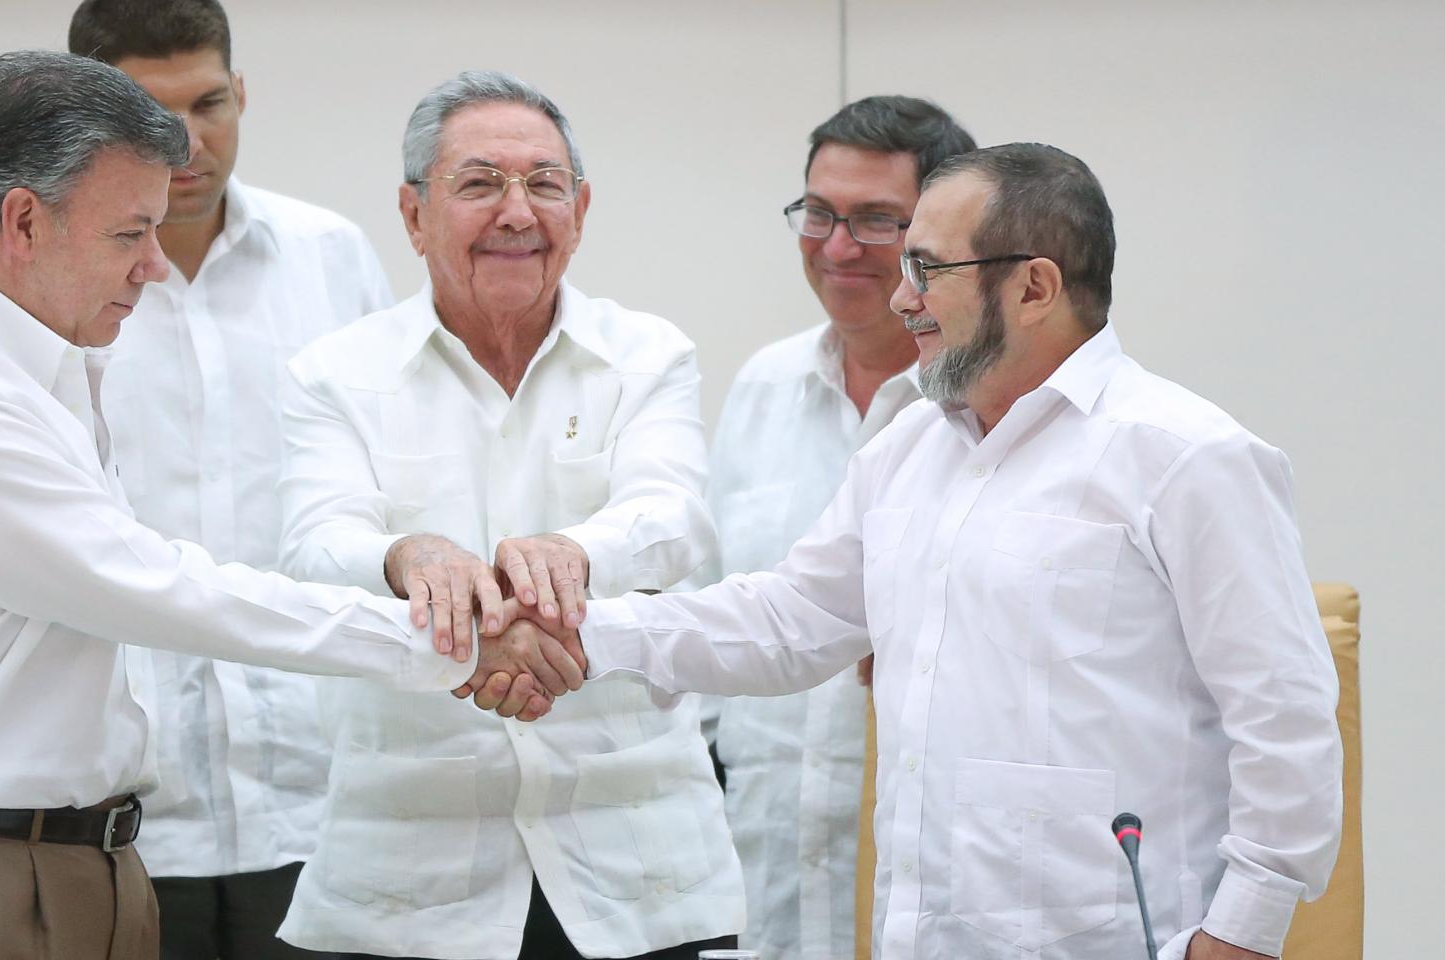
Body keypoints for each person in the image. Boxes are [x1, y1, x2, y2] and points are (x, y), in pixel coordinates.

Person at [0, 51, 570, 960]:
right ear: (23, 221)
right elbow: (165, 590)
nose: (157, 268)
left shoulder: (48, 372)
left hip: (73, 860)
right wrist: (459, 640)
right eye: (131, 234)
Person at [495, 142, 1344, 960]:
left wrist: (1247, 926)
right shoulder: (908, 450)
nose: (903, 300)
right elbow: (788, 620)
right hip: (926, 931)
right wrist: (579, 633)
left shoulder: (1186, 455)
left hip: (1121, 933)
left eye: (928, 270)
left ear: (1035, 287)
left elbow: (1285, 712)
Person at [273, 71, 739, 960]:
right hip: (410, 872)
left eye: (545, 184)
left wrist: (566, 557)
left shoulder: (647, 356)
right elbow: (313, 546)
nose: (518, 213)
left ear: (583, 206)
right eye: (480, 183)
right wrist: (408, 557)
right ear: (412, 215)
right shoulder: (334, 372)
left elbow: (673, 519)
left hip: (636, 861)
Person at [67, 3, 395, 957]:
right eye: (147, 114)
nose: (187, 142)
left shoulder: (331, 257)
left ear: (241, 91)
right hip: (126, 806)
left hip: (320, 793)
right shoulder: (53, 284)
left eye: (210, 103)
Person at [697, 95, 971, 960]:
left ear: (939, 234)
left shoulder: (994, 408)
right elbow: (721, 616)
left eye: (876, 221)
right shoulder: (764, 386)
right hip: (760, 881)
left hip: (936, 887)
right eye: (818, 213)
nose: (838, 247)